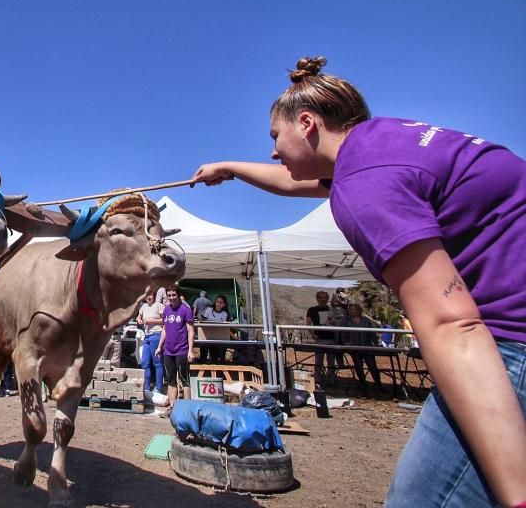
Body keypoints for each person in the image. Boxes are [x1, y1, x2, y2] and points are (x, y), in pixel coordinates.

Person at [191, 56, 526, 506]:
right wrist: (229, 167)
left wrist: (517, 491)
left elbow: (452, 324)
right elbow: (298, 182)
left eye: (275, 137)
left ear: (307, 123)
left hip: (508, 347)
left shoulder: (364, 183)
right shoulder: (386, 141)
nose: (273, 151)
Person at [154, 286, 196, 412]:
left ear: (178, 295)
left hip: (182, 351)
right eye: (169, 295)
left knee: (185, 380)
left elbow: (190, 331)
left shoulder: (185, 310)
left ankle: (188, 410)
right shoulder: (166, 310)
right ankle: (173, 409)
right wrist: (159, 347)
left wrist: (190, 350)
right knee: (171, 380)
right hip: (168, 351)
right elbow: (165, 330)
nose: (172, 298)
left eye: (174, 295)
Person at [306, 291, 345, 388]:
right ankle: (318, 380)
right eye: (320, 297)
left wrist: (334, 322)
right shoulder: (312, 310)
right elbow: (308, 323)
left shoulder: (331, 310)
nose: (323, 299)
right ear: (317, 298)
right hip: (320, 338)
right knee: (319, 361)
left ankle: (330, 379)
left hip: (331, 338)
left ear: (327, 299)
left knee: (331, 361)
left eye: (325, 297)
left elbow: (339, 323)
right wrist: (313, 335)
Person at [341, 304, 383, 392]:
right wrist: (347, 343)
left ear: (358, 310)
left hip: (367, 347)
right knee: (359, 367)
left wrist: (375, 343)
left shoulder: (366, 321)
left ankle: (378, 384)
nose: (351, 311)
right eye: (350, 309)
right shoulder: (347, 321)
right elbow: (344, 333)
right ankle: (362, 384)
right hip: (355, 348)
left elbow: (372, 333)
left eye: (353, 309)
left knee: (372, 366)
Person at [136, 291, 165, 395]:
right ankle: (147, 387)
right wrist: (138, 319)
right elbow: (138, 316)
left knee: (157, 363)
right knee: (144, 362)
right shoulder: (143, 306)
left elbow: (165, 320)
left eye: (151, 295)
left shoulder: (159, 305)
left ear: (154, 296)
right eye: (147, 295)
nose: (149, 297)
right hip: (147, 336)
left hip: (156, 335)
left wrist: (152, 321)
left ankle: (158, 388)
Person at [200, 294, 231, 364]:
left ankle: (218, 370)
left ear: (224, 305)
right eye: (217, 302)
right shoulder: (208, 310)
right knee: (203, 353)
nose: (218, 304)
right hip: (206, 336)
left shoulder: (225, 314)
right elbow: (201, 321)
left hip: (218, 338)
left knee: (215, 356)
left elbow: (226, 327)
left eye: (221, 302)